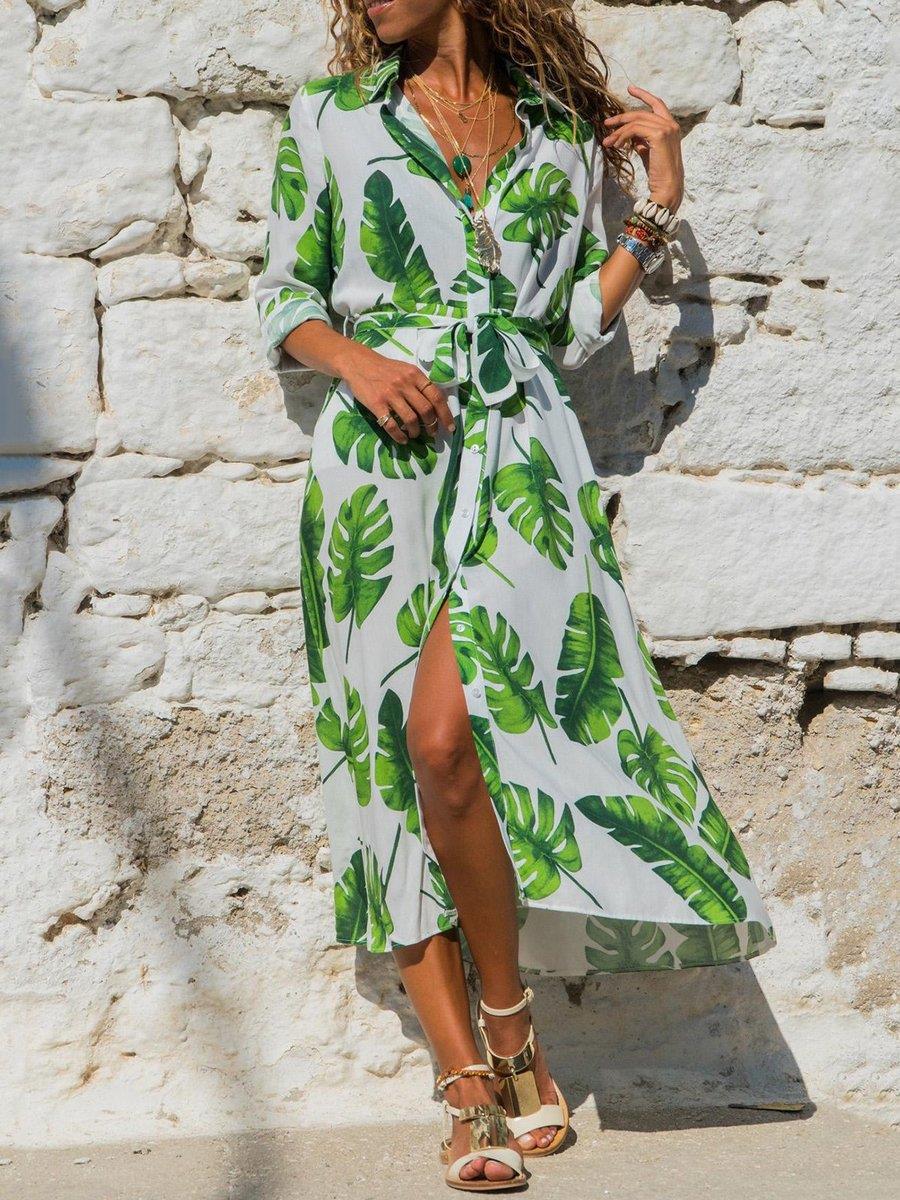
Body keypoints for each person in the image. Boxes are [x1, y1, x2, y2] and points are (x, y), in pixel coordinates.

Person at [256, 1, 776, 1190]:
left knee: (449, 741)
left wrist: (653, 213)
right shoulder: (330, 120)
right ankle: (470, 1086)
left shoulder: (546, 129)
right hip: (378, 472)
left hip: (523, 464)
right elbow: (281, 296)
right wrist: (361, 359)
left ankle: (512, 1021)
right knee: (392, 764)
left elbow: (564, 328)